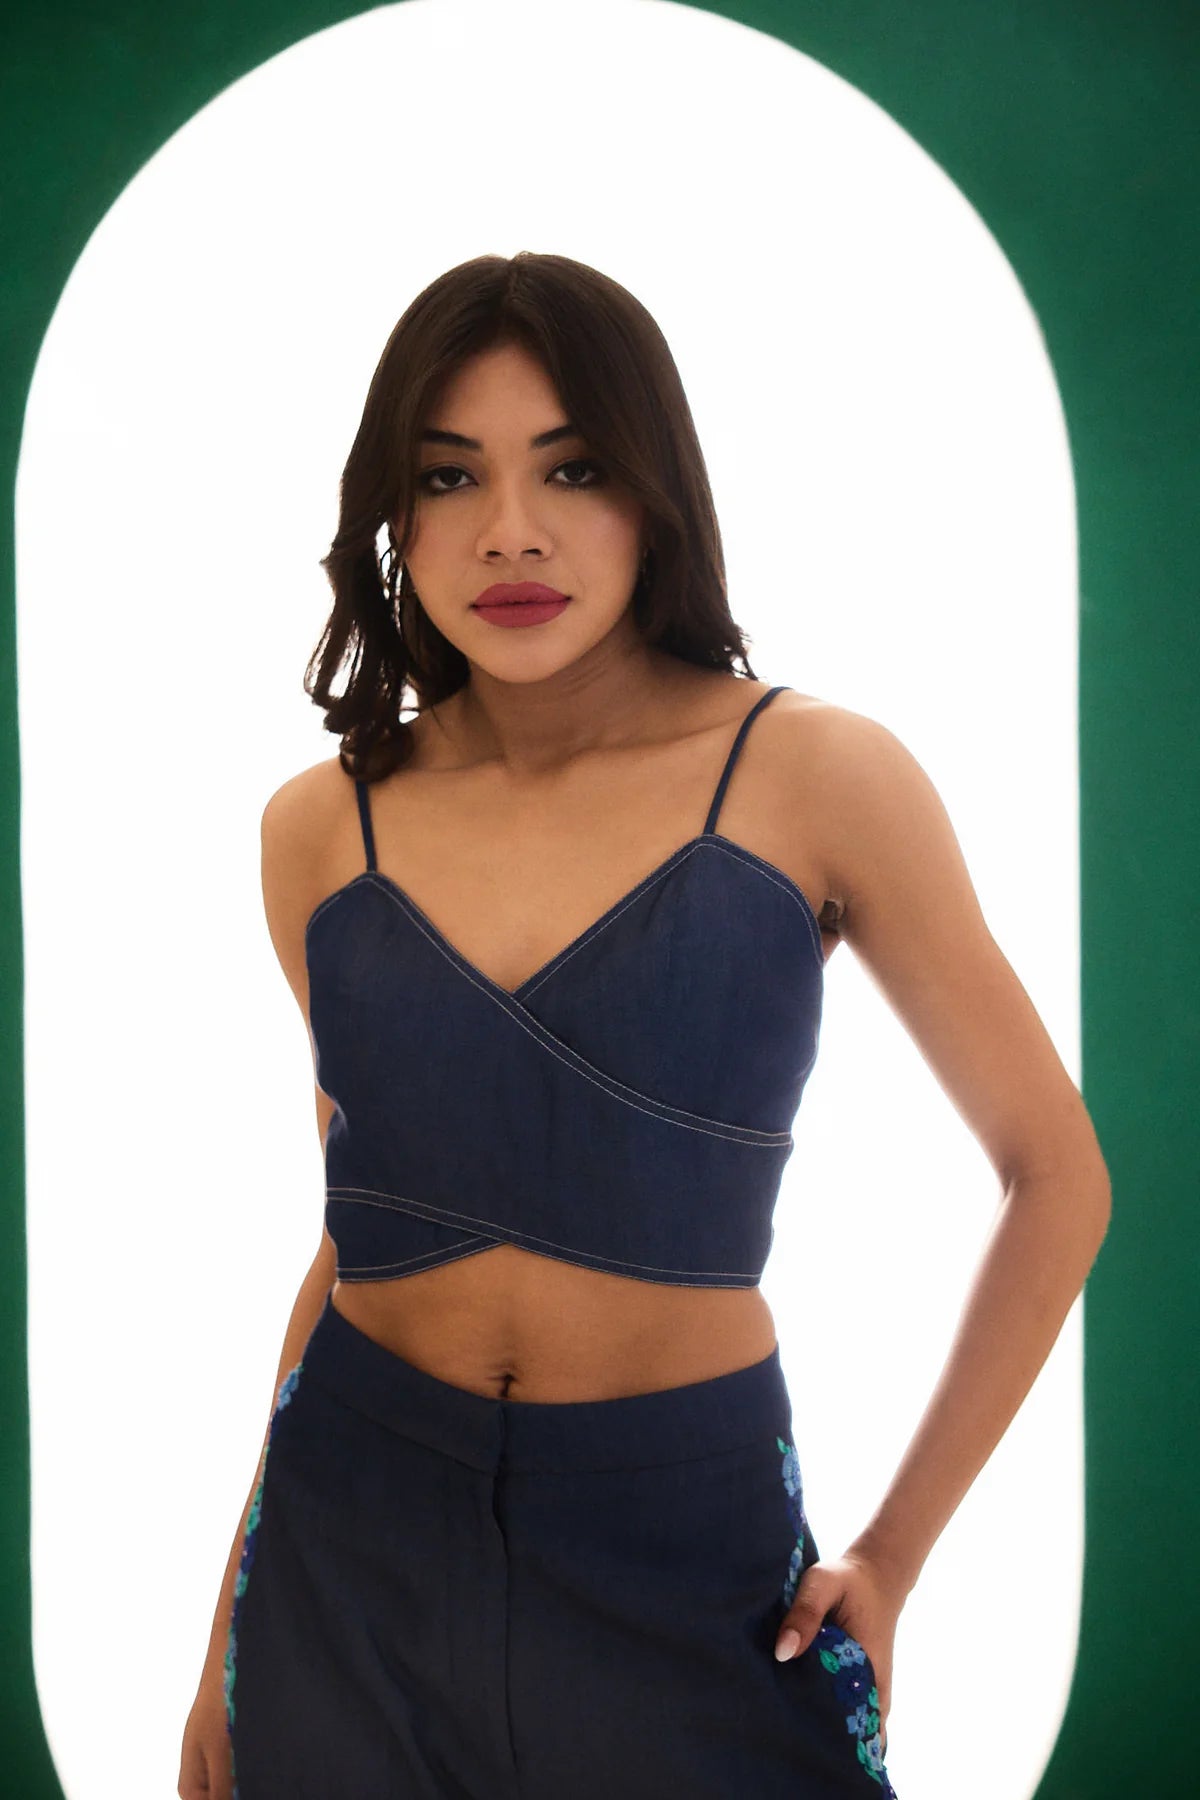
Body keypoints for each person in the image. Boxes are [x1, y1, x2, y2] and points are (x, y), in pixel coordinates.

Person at [177, 252, 1111, 1800]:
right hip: (353, 1539)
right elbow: (357, 1234)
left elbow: (1055, 1174)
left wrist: (893, 1556)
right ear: (396, 512)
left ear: (655, 488)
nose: (511, 530)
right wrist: (228, 1625)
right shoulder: (320, 827)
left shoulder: (817, 775)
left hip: (685, 1541)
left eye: (572, 467)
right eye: (450, 475)